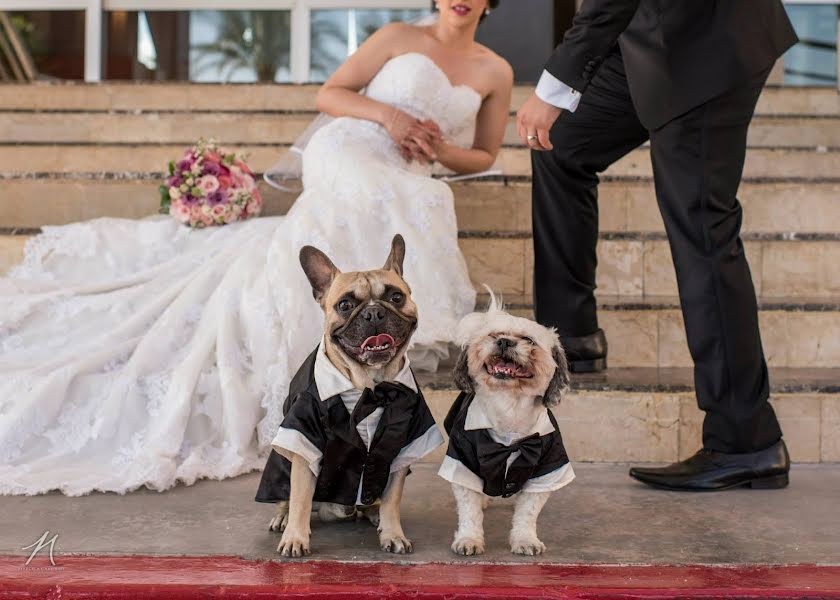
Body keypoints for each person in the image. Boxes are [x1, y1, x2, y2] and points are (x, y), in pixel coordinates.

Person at [0, 0, 513, 496]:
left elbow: (484, 153)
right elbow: (332, 94)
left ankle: (372, 320)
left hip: (411, 167)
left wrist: (436, 147)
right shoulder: (400, 36)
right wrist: (390, 118)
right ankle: (336, 318)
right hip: (355, 148)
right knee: (381, 187)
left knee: (429, 193)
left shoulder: (497, 70)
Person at [516, 0, 797, 491]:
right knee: (564, 144)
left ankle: (746, 439)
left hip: (705, 42)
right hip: (650, 37)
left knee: (704, 232)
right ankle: (572, 337)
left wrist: (555, 84)